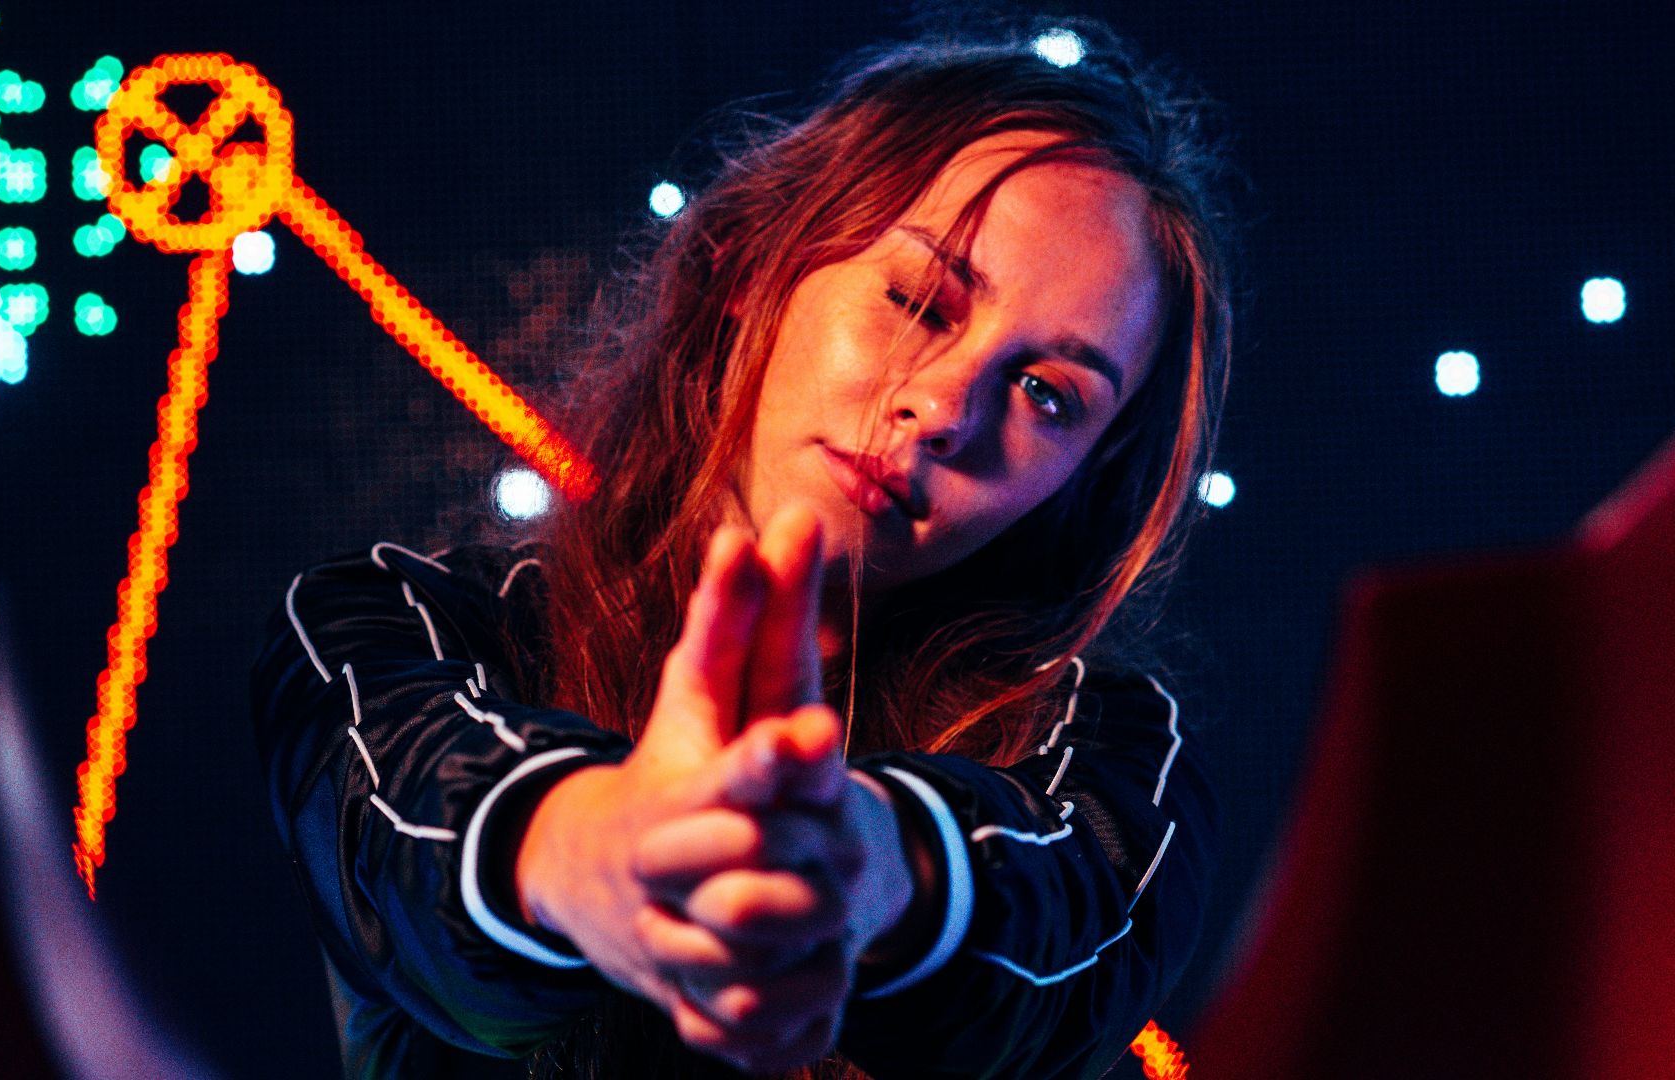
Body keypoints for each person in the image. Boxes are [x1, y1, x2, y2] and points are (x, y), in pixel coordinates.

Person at [252, 16, 1232, 1079]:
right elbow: (408, 824)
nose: (947, 406)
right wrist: (614, 848)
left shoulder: (1114, 753)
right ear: (748, 269)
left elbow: (1064, 923)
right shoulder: (390, 623)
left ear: (1080, 483)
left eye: (1049, 396)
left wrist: (858, 865)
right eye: (918, 299)